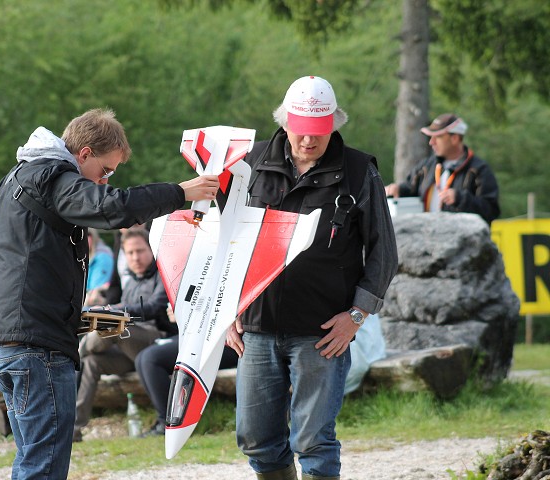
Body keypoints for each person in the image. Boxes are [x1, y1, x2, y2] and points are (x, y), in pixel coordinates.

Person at [0, 108, 219, 479]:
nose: (104, 182)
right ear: (84, 154)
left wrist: (65, 310)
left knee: (31, 457)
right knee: (44, 464)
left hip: (7, 341)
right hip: (36, 345)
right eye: (105, 171)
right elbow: (110, 208)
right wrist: (180, 192)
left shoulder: (16, 180)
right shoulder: (53, 175)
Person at [225, 75, 398, 480]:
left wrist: (356, 316)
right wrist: (225, 308)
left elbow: (384, 252)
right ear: (285, 122)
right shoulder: (248, 165)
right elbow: (223, 242)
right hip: (256, 326)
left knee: (315, 441)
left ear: (334, 125)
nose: (308, 140)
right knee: (254, 437)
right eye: (301, 130)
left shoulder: (359, 171)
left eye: (318, 131)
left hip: (323, 333)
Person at [74, 228, 172, 442]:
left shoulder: (163, 274)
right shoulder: (130, 280)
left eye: (140, 251)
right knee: (92, 362)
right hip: (129, 352)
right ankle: (73, 428)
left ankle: (76, 353)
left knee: (114, 324)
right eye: (130, 253)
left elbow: (156, 306)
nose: (135, 257)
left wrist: (117, 311)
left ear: (151, 250)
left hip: (154, 341)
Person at [134, 305, 238, 437]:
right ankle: (165, 420)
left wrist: (188, 312)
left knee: (150, 359)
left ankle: (174, 422)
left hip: (225, 342)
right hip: (198, 336)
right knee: (141, 358)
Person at [384, 113, 500, 224]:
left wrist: (460, 198)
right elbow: (411, 189)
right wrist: (398, 189)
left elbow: (491, 210)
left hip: (464, 242)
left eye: (437, 137)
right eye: (430, 137)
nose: (431, 142)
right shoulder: (426, 166)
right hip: (426, 238)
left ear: (454, 138)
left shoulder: (479, 169)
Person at [84, 228, 115, 306]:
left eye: (87, 235)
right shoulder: (86, 256)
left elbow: (95, 291)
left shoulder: (103, 257)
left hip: (97, 303)